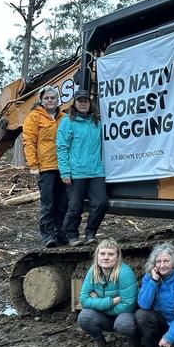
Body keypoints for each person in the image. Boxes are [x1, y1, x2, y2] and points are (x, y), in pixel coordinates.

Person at [56, 89, 108, 246]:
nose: (83, 103)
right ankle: (71, 236)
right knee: (75, 207)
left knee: (101, 203)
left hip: (96, 170)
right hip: (76, 172)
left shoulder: (97, 121)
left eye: (85, 101)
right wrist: (64, 171)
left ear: (90, 103)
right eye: (80, 101)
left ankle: (90, 233)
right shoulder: (67, 121)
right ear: (75, 103)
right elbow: (61, 147)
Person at [22, 85, 68, 247]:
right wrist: (33, 164)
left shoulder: (64, 117)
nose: (50, 100)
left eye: (53, 98)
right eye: (47, 98)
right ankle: (48, 235)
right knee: (48, 202)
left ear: (57, 100)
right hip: (46, 167)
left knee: (63, 202)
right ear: (41, 101)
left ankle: (60, 232)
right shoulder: (34, 117)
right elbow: (29, 141)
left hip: (63, 167)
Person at [78, 238, 138, 347]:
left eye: (111, 254)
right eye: (102, 253)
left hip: (124, 315)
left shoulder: (125, 272)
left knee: (123, 324)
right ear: (97, 256)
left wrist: (98, 304)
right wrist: (111, 301)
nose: (106, 257)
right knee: (84, 317)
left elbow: (128, 304)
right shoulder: (93, 271)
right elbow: (84, 300)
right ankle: (100, 341)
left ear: (117, 257)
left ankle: (134, 340)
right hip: (106, 315)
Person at [136, 243, 174, 347]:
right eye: (158, 261)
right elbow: (144, 305)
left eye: (166, 261)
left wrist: (169, 337)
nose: (162, 265)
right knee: (141, 315)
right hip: (159, 320)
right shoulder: (149, 276)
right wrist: (153, 281)